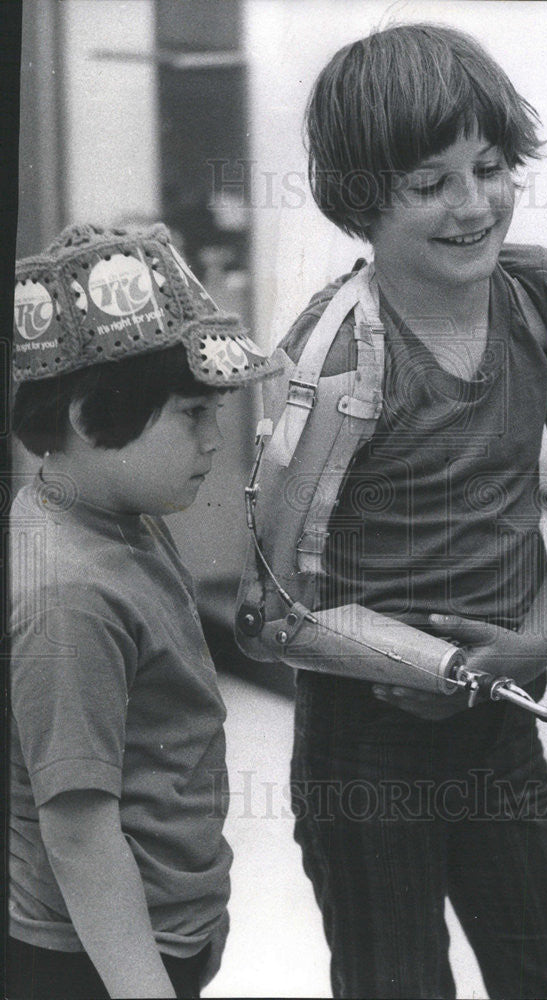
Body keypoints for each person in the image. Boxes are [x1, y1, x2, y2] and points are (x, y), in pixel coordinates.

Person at [252, 23, 547, 999]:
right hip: (364, 746)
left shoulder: (542, 295)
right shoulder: (338, 351)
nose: (474, 205)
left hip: (500, 728)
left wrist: (532, 638)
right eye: (431, 183)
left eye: (491, 165)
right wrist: (421, 661)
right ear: (362, 198)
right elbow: (268, 609)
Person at [7, 223, 283, 999]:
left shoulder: (121, 518)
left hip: (155, 933)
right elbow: (80, 834)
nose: (213, 438)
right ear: (94, 416)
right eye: (192, 413)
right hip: (88, 963)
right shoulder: (68, 593)